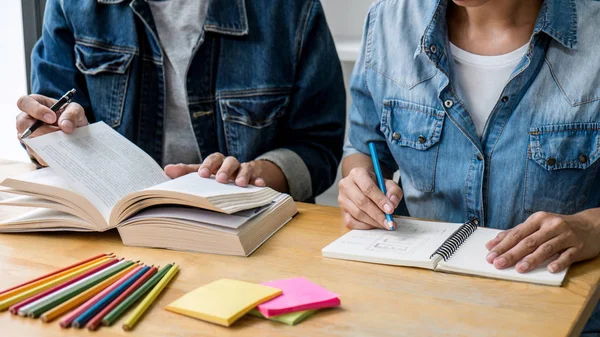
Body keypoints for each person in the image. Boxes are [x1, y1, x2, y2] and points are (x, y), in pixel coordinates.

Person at [339, 0, 600, 334]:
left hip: (559, 317)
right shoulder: (387, 21)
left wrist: (591, 227)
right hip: (412, 309)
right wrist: (361, 187)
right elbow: (363, 148)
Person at [15, 0, 346, 203]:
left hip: (252, 236)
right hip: (114, 234)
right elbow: (49, 124)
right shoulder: (71, 5)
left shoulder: (289, 9)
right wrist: (47, 138)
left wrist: (255, 174)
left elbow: (318, 147)